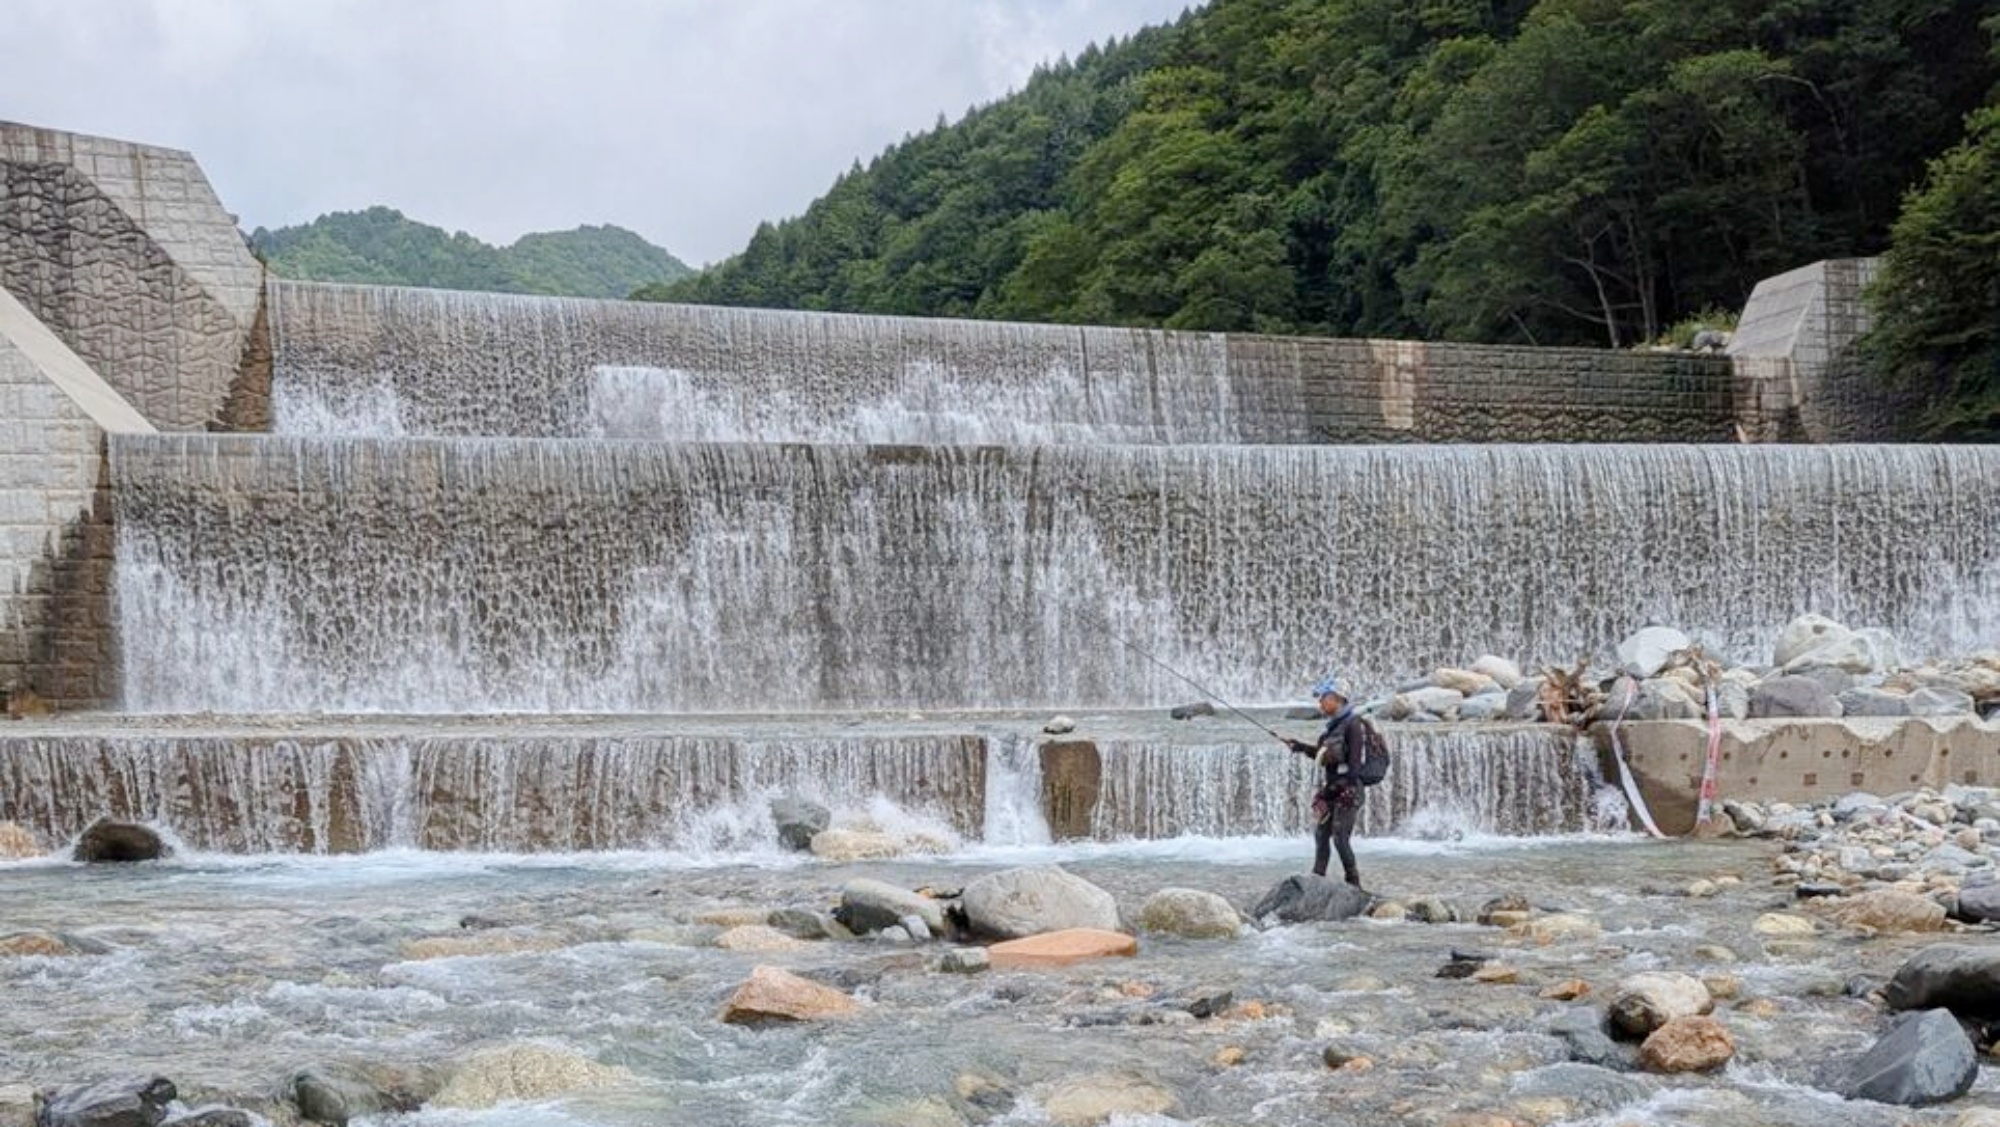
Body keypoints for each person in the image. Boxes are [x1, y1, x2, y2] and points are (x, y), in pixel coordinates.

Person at [1280, 676, 1365, 887]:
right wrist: (1300, 747)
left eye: (1323, 698)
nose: (1320, 703)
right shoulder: (1332, 727)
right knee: (1321, 835)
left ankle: (1354, 884)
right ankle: (1317, 880)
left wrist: (1341, 789)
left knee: (1340, 838)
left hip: (1348, 791)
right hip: (1333, 790)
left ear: (1337, 699)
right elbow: (1324, 756)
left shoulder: (1353, 725)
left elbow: (1354, 766)